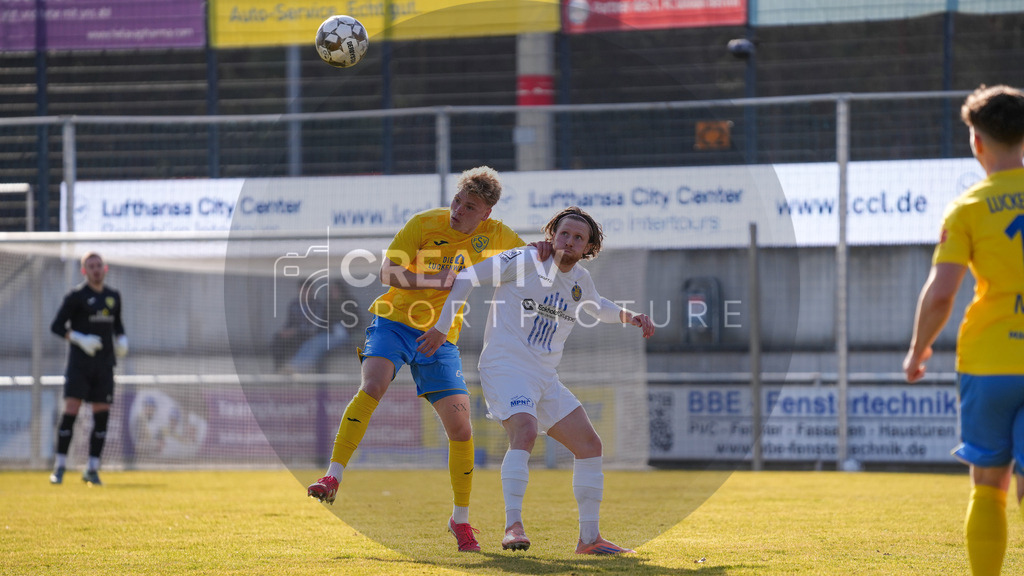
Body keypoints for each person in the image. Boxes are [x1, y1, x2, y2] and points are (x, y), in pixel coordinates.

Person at [306, 166, 551, 552]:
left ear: (486, 213)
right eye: (457, 201)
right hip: (393, 322)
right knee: (373, 384)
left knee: (462, 429)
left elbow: (531, 258)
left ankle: (460, 520)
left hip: (441, 336)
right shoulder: (424, 223)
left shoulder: (497, 234)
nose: (458, 210)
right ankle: (332, 477)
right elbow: (387, 272)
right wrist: (439, 281)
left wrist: (548, 249)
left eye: (469, 207)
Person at [417, 206, 655, 555]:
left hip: (544, 376)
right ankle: (513, 526)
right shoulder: (527, 259)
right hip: (505, 366)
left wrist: (629, 316)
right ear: (551, 235)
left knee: (590, 446)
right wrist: (441, 328)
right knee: (525, 431)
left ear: (589, 248)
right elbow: (467, 277)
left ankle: (590, 539)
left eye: (578, 238)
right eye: (564, 233)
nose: (569, 241)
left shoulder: (580, 280)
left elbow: (596, 305)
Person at [902, 84, 1024, 576]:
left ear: (976, 142)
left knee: (988, 486)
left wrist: (918, 350)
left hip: (989, 363)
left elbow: (940, 295)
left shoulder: (968, 207)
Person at [49, 252, 128, 486]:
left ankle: (92, 468)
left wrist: (122, 338)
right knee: (71, 410)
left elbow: (118, 324)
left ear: (105, 268)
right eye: (91, 266)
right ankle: (60, 466)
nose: (95, 269)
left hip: (104, 365)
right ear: (84, 271)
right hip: (79, 365)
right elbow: (56, 326)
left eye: (98, 265)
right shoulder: (76, 296)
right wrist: (79, 338)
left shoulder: (113, 296)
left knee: (102, 414)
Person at [286, 280, 357, 373]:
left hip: (344, 336)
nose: (333, 292)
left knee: (318, 344)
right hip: (330, 334)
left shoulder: (350, 303)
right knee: (310, 343)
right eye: (332, 290)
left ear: (341, 290)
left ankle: (302, 367)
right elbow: (325, 322)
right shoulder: (329, 303)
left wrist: (346, 328)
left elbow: (357, 322)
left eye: (336, 290)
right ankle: (293, 366)